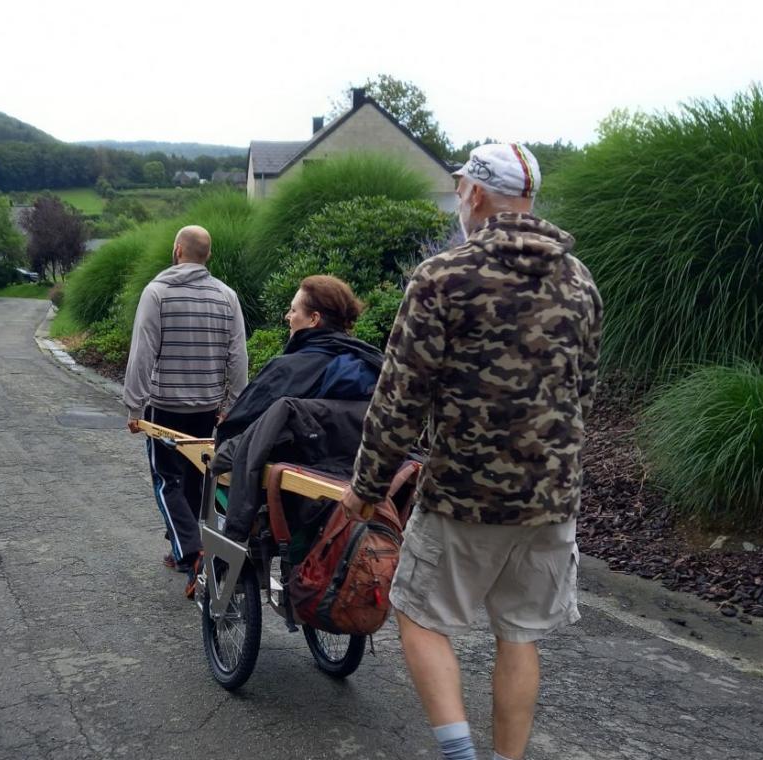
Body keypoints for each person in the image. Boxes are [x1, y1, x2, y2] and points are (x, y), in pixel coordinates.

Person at [340, 143, 603, 760]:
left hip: (464, 495)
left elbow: (400, 397)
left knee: (419, 615)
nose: (459, 198)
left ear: (477, 195)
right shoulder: (580, 281)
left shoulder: (443, 278)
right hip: (551, 500)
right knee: (519, 635)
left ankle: (459, 756)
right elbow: (581, 392)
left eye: (460, 188)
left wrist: (367, 487)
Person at [125, 225, 248, 597]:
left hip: (165, 409)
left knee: (168, 482)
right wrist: (233, 406)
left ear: (177, 250)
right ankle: (188, 545)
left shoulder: (157, 292)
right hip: (208, 411)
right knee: (197, 483)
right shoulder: (227, 296)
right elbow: (238, 356)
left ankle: (191, 553)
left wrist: (133, 405)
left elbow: (142, 352)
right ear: (206, 256)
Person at [215, 275, 383, 444]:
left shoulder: (284, 370)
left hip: (293, 465)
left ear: (313, 319)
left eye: (294, 310)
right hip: (355, 465)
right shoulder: (373, 362)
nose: (287, 316)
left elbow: (231, 431)